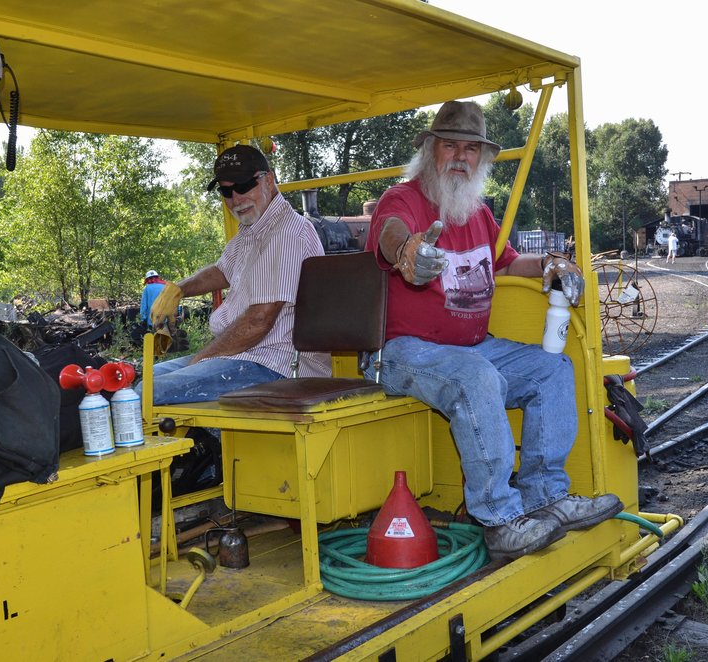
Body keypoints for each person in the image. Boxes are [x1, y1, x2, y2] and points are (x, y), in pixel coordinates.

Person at [364, 101, 623, 561]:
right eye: (450, 145)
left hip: (471, 347)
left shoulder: (477, 213)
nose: (461, 156)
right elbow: (391, 234)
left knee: (552, 369)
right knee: (474, 377)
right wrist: (407, 251)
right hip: (402, 352)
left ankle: (546, 497)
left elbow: (509, 261)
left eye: (471, 148)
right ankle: (499, 519)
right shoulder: (401, 199)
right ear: (430, 150)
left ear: (482, 159)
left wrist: (550, 263)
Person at [142, 144, 330, 405]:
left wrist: (200, 361)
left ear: (269, 179)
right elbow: (222, 270)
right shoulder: (252, 230)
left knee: (145, 394)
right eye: (226, 191)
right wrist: (178, 290)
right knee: (139, 381)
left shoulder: (287, 233)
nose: (235, 198)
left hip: (278, 363)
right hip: (245, 355)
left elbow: (258, 320)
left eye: (243, 186)